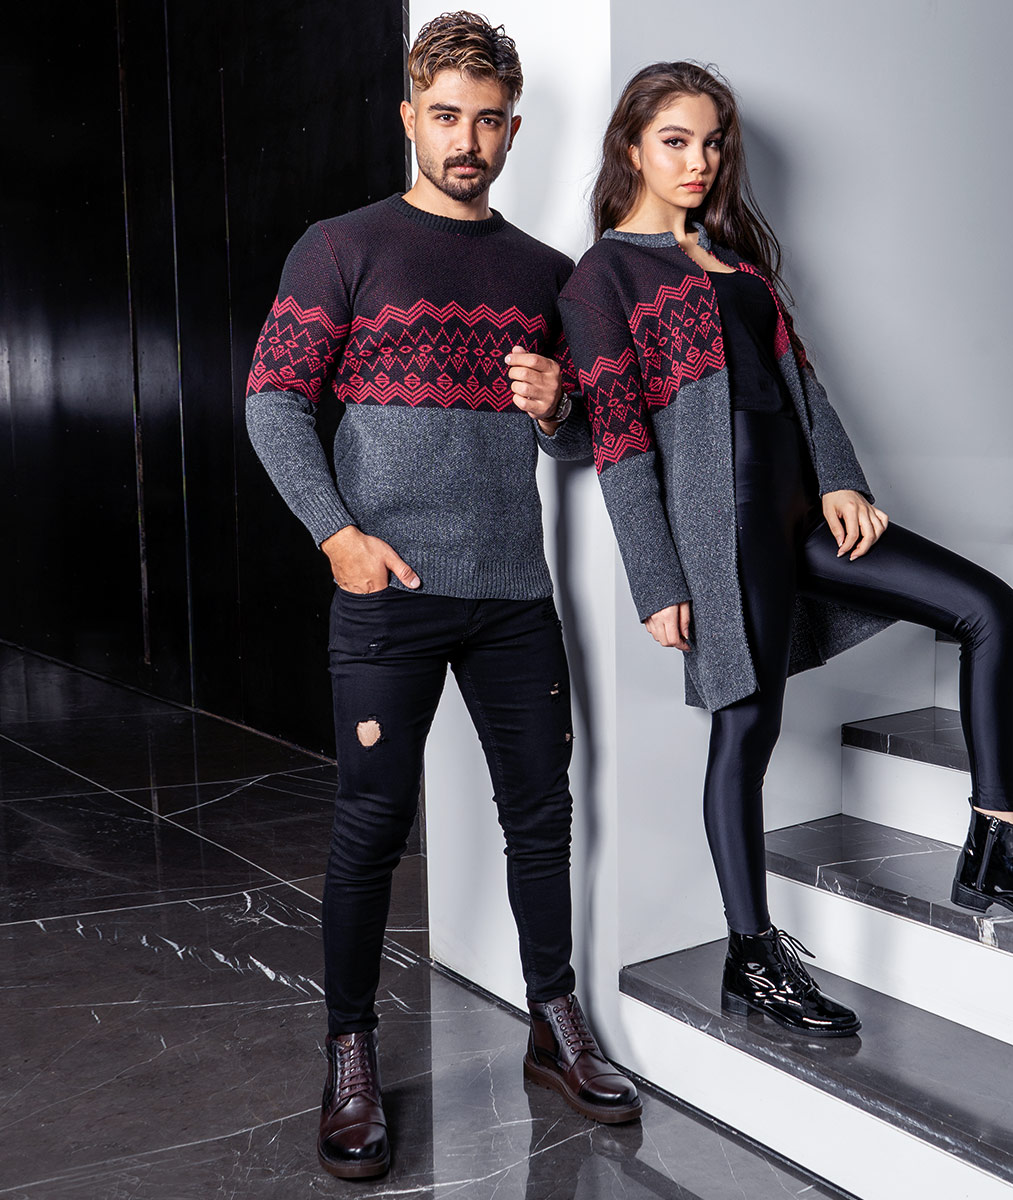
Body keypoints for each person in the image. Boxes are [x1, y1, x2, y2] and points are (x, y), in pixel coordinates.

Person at [559, 61, 1013, 1039]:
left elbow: (804, 390)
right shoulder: (606, 276)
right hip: (724, 532)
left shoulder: (737, 263)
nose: (698, 160)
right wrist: (656, 577)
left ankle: (998, 844)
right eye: (675, 141)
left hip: (803, 514)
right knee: (747, 728)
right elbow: (618, 440)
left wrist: (844, 481)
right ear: (631, 147)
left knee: (989, 609)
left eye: (711, 141)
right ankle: (751, 956)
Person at [245, 12, 641, 1180]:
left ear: (515, 130)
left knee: (542, 814)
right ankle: (350, 1054)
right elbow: (273, 399)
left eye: (490, 120)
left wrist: (559, 407)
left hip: (513, 596)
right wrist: (339, 539)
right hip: (390, 592)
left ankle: (554, 1021)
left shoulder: (546, 274)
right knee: (371, 826)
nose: (468, 140)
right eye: (448, 116)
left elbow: (577, 445)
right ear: (411, 118)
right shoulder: (342, 246)